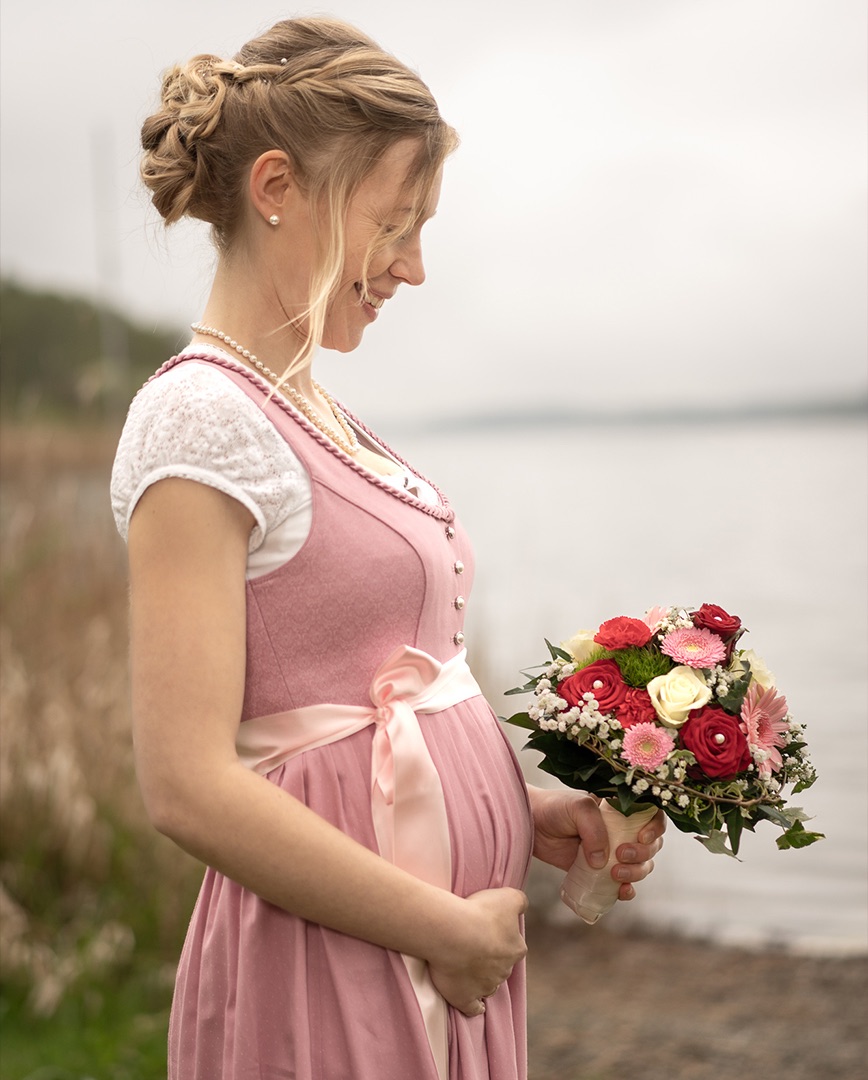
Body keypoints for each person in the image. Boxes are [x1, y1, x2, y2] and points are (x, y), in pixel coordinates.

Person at [111, 16, 665, 1080]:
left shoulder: (309, 406)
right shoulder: (198, 420)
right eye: (395, 223)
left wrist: (524, 812)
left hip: (412, 946)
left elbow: (352, 691)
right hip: (340, 963)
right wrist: (440, 928)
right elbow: (185, 783)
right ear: (278, 187)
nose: (413, 266)